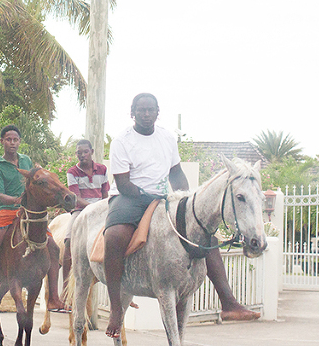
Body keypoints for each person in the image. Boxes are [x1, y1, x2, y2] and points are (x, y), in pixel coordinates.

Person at [103, 93, 259, 339]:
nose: (146, 114)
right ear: (132, 112)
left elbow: (176, 173)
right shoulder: (122, 141)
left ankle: (228, 302)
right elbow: (123, 183)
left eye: (151, 109)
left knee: (207, 236)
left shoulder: (166, 137)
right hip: (129, 197)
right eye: (141, 110)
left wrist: (186, 199)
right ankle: (115, 310)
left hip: (163, 197)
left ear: (158, 112)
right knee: (114, 237)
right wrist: (150, 197)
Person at [0, 125, 67, 316]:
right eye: (8, 139)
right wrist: (16, 200)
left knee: (53, 247)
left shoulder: (26, 161)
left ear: (19, 142)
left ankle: (53, 297)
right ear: (2, 141)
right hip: (6, 211)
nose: (12, 143)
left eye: (15, 140)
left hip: (28, 213)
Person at [63, 139, 109, 298]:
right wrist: (92, 208)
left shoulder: (102, 169)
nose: (82, 155)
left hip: (101, 209)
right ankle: (65, 288)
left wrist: (104, 208)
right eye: (79, 153)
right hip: (81, 210)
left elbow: (105, 193)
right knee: (68, 240)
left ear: (92, 152)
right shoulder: (72, 172)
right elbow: (76, 197)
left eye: (85, 152)